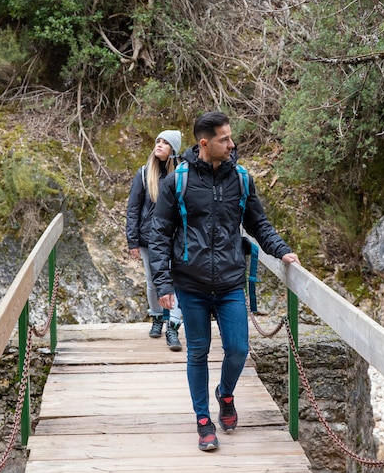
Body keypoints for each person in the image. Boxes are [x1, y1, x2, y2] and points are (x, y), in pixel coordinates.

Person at [149, 111, 300, 451]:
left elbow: (258, 223)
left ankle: (225, 394)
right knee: (197, 352)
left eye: (230, 137)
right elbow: (158, 234)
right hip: (191, 282)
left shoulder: (241, 179)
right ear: (205, 143)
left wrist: (281, 250)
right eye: (224, 139)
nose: (232, 144)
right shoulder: (178, 182)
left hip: (231, 281)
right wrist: (163, 283)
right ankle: (203, 421)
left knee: (238, 349)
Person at [126, 129, 184, 351]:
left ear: (174, 149)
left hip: (175, 237)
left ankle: (174, 325)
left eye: (165, 142)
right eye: (157, 141)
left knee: (177, 280)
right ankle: (157, 317)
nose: (159, 145)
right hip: (149, 238)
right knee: (153, 281)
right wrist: (132, 241)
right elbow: (133, 208)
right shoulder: (143, 174)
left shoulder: (181, 175)